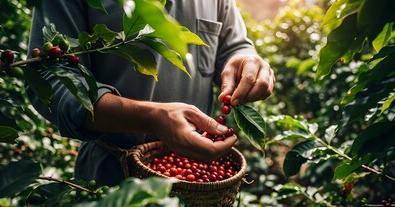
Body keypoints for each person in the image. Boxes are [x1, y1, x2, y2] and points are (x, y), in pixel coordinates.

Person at [27, 0, 275, 186]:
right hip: (111, 178)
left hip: (196, 181)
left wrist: (246, 60)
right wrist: (150, 117)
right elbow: (50, 79)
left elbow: (234, 44)